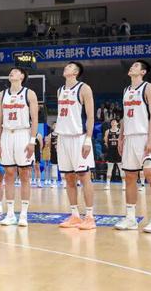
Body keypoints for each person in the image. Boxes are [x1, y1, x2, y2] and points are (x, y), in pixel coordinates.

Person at [114, 60, 151, 233]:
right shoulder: (126, 90)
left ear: (143, 72)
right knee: (129, 177)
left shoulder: (149, 87)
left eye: (136, 66)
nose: (132, 67)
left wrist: (150, 139)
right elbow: (125, 117)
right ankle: (130, 219)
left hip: (145, 136)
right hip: (130, 138)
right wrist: (121, 137)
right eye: (132, 65)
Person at [55, 62, 96, 230]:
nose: (66, 67)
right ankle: (75, 216)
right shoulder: (60, 90)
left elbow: (90, 116)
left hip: (79, 137)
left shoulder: (84, 88)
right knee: (69, 178)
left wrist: (88, 140)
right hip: (63, 138)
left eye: (70, 66)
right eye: (66, 66)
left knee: (84, 176)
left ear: (76, 72)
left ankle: (90, 217)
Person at [0, 67, 39, 227]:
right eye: (11, 71)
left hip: (23, 133)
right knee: (8, 174)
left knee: (24, 174)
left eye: (15, 71)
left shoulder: (29, 93)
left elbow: (35, 119)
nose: (12, 73)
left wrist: (32, 141)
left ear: (22, 76)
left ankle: (23, 214)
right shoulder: (2, 95)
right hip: (7, 134)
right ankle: (9, 214)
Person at [104, 119, 123, 190]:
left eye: (115, 121)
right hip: (111, 152)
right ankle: (107, 184)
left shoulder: (120, 131)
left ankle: (124, 184)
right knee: (109, 168)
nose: (113, 122)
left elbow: (123, 140)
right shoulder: (107, 131)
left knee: (121, 169)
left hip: (118, 151)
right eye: (112, 121)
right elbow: (106, 141)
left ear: (117, 123)